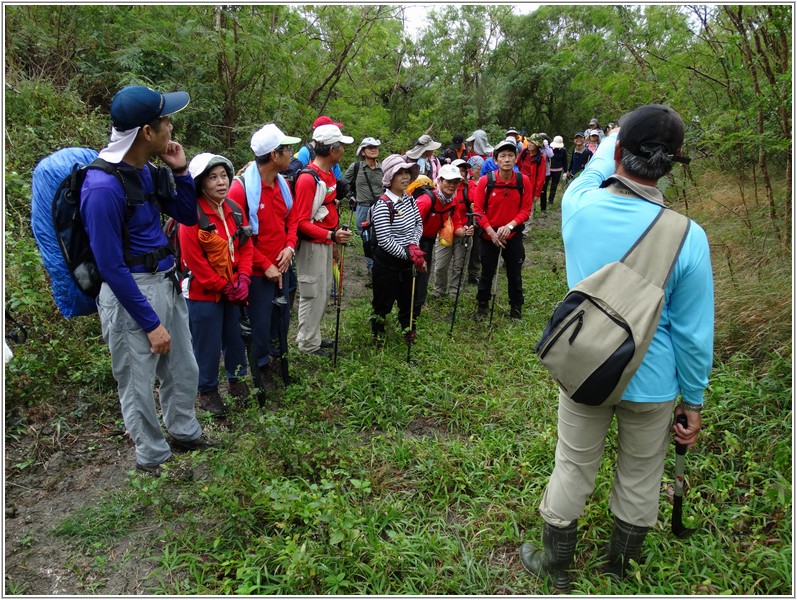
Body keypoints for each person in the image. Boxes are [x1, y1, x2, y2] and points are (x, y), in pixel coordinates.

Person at [520, 104, 713, 591]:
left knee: (573, 463)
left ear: (620, 151)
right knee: (642, 473)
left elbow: (602, 162)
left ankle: (553, 563)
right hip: (654, 380)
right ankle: (620, 568)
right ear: (671, 164)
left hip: (587, 368)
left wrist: (614, 134)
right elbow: (692, 334)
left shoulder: (578, 204)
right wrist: (693, 400)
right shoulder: (689, 238)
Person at [80, 85, 213, 476]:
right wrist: (150, 323)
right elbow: (110, 266)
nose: (172, 126)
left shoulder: (147, 172)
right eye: (166, 121)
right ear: (147, 132)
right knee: (137, 381)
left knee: (183, 367)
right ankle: (151, 457)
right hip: (131, 293)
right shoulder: (102, 187)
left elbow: (188, 215)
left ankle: (184, 432)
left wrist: (181, 171)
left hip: (166, 282)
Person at [228, 123, 301, 389]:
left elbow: (292, 218)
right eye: (287, 149)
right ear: (274, 155)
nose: (291, 154)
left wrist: (289, 246)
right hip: (258, 270)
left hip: (282, 263)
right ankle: (260, 366)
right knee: (258, 320)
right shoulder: (241, 190)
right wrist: (264, 264)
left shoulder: (282, 185)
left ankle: (275, 356)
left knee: (280, 318)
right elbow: (239, 235)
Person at [180, 153, 253, 417]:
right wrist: (224, 286)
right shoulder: (191, 216)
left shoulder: (234, 209)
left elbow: (245, 246)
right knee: (207, 344)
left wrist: (243, 277)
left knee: (234, 338)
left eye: (224, 176)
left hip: (233, 289)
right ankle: (207, 391)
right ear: (201, 182)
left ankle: (237, 381)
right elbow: (195, 263)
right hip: (203, 294)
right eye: (213, 177)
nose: (221, 182)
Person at [293, 123, 354, 357]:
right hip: (312, 244)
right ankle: (307, 344)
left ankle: (312, 336)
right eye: (341, 147)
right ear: (333, 150)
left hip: (326, 241)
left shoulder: (328, 175)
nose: (344, 151)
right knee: (312, 292)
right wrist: (330, 235)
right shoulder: (309, 179)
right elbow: (300, 221)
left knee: (324, 289)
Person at [472, 138, 533, 320]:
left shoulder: (524, 181)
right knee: (487, 272)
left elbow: (526, 210)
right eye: (503, 156)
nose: (507, 159)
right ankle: (482, 305)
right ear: (496, 160)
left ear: (515, 159)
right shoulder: (485, 181)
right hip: (489, 235)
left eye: (510, 156)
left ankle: (516, 308)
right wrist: (491, 232)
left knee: (515, 273)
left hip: (512, 234)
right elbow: (478, 210)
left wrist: (509, 226)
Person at [369, 154, 426, 347]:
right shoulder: (383, 205)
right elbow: (385, 240)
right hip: (387, 263)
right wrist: (409, 254)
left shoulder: (409, 200)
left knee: (408, 300)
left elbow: (418, 223)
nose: (405, 177)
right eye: (399, 173)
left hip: (408, 259)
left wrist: (413, 245)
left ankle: (408, 331)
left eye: (407, 173)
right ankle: (378, 334)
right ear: (389, 178)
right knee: (382, 302)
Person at [414, 164, 465, 318]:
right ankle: (410, 307)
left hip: (428, 240)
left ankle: (417, 307)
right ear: (440, 181)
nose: (452, 185)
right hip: (414, 240)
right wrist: (415, 251)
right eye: (448, 181)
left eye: (455, 182)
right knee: (413, 273)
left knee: (424, 274)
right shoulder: (426, 201)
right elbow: (411, 225)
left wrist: (465, 230)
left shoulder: (451, 201)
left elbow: (456, 223)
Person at [431, 158, 476, 298]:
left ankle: (454, 292)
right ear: (441, 180)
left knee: (459, 265)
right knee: (441, 265)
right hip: (445, 232)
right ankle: (439, 290)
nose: (462, 172)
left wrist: (466, 230)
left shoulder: (469, 188)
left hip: (462, 230)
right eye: (459, 169)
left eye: (464, 170)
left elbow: (477, 206)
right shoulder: (435, 196)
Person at [344, 136, 383, 279]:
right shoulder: (355, 167)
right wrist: (350, 196)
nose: (373, 150)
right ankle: (371, 268)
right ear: (363, 151)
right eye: (369, 147)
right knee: (366, 240)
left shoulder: (383, 168)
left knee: (380, 238)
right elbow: (343, 183)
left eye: (375, 147)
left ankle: (379, 267)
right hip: (362, 208)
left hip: (380, 208)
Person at [466, 155, 486, 284]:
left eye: (478, 167)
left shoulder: (486, 181)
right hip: (469, 217)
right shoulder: (467, 184)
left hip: (481, 218)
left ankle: (474, 273)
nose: (476, 170)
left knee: (478, 247)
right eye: (474, 168)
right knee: (467, 245)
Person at [516, 134, 547, 215]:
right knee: (517, 205)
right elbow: (517, 164)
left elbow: (541, 177)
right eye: (529, 142)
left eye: (532, 143)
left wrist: (537, 193)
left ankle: (527, 227)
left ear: (537, 145)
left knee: (528, 208)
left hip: (531, 185)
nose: (529, 144)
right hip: (519, 182)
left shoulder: (541, 158)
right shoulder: (524, 152)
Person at [547, 135, 568, 206]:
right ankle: (543, 199)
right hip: (548, 170)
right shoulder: (549, 149)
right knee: (545, 185)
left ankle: (550, 200)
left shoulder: (563, 150)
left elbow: (565, 161)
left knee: (554, 185)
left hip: (558, 170)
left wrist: (565, 171)